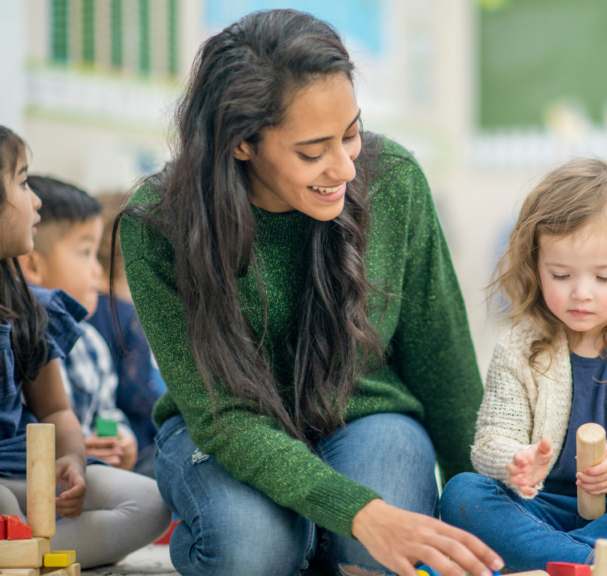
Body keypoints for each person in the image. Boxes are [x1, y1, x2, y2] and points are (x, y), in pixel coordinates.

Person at [116, 10, 500, 576]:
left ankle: (318, 537)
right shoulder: (157, 224)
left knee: (380, 552)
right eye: (313, 150)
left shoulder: (393, 179)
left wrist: (482, 512)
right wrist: (357, 510)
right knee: (251, 553)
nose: (345, 166)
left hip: (367, 419)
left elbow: (444, 368)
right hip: (227, 431)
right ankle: (299, 537)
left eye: (351, 133)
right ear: (242, 142)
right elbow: (224, 414)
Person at [439, 159, 607, 571]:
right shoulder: (517, 347)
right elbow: (488, 444)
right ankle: (596, 565)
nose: (581, 294)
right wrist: (518, 461)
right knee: (462, 495)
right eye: (561, 274)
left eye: (603, 278)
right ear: (537, 263)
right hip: (536, 509)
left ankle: (549, 561)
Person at [0, 113, 170, 568]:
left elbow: (57, 410)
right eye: (23, 184)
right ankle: (12, 540)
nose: (36, 201)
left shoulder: (30, 306)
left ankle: (15, 549)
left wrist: (73, 461)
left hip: (26, 476)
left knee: (150, 503)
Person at [18, 176, 138, 471]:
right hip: (31, 473)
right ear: (33, 265)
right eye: (86, 253)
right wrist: (70, 449)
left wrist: (120, 441)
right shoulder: (16, 340)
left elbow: (105, 411)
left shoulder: (90, 341)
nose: (98, 271)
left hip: (90, 473)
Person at [89, 192, 166, 478]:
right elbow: (138, 394)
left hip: (102, 438)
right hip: (134, 448)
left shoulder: (83, 305)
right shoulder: (126, 312)